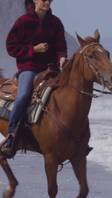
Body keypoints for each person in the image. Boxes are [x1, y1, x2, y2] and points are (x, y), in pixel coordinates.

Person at [2, 0, 67, 157]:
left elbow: (61, 46)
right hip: (29, 68)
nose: (47, 2)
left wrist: (63, 57)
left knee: (69, 93)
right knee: (23, 94)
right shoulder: (23, 22)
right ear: (34, 1)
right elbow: (11, 47)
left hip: (51, 68)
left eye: (49, 0)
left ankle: (74, 138)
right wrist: (33, 49)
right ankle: (11, 134)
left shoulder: (55, 22)